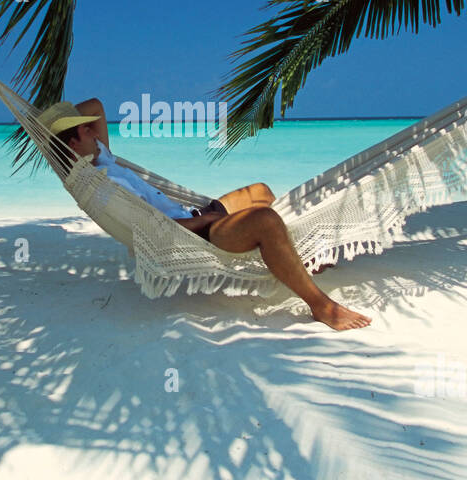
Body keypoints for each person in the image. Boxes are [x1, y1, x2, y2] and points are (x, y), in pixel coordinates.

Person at [38, 98, 372, 331]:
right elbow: (153, 229)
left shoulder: (102, 157)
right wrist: (206, 221)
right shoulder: (101, 185)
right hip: (188, 233)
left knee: (259, 192)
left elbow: (94, 104)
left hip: (191, 214)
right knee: (266, 221)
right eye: (85, 131)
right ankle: (321, 306)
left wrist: (49, 127)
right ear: (71, 145)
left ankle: (290, 261)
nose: (95, 131)